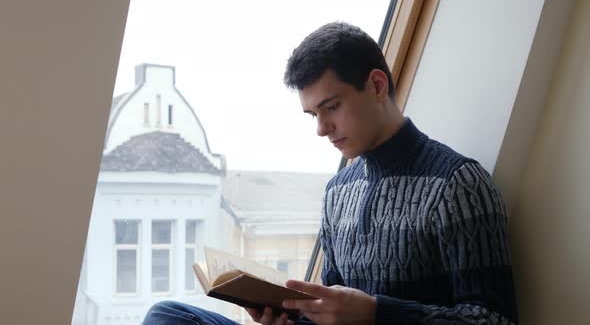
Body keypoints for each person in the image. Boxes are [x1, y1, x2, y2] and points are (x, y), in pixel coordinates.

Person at [143, 22, 518, 325]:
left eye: (332, 107)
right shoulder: (339, 191)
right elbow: (331, 310)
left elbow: (494, 319)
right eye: (313, 115)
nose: (321, 129)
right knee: (167, 316)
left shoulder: (458, 184)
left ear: (376, 85)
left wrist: (377, 313)